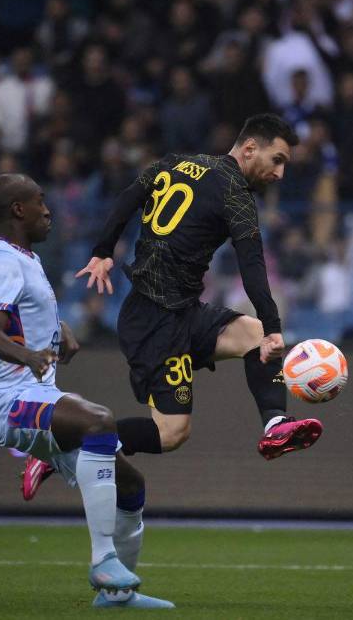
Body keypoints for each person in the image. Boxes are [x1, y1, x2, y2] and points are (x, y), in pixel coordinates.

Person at [61, 114, 321, 463]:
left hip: (181, 312)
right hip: (154, 322)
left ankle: (275, 424)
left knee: (254, 334)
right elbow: (252, 264)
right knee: (172, 432)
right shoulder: (236, 194)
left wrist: (103, 250)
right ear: (249, 149)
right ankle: (63, 449)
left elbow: (129, 196)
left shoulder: (176, 162)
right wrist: (276, 326)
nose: (280, 173)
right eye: (277, 160)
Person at [0, 174, 173, 609]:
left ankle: (117, 596)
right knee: (98, 421)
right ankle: (103, 561)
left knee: (131, 484)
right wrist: (29, 357)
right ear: (18, 210)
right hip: (8, 400)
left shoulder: (25, 259)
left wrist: (59, 329)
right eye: (40, 201)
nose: (48, 211)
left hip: (37, 395)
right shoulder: (1, 261)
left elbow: (24, 312)